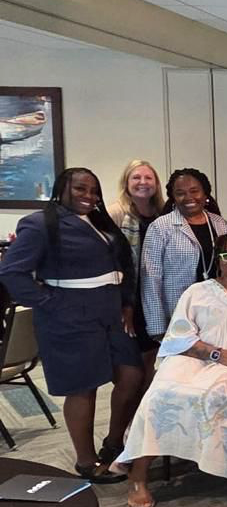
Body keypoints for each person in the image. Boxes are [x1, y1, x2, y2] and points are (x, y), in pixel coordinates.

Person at [114, 233, 227, 507]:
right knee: (160, 395)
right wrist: (217, 354)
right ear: (218, 260)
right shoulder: (198, 291)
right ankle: (138, 475)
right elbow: (179, 336)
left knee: (213, 396)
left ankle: (201, 458)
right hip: (195, 358)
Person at [0, 168, 143, 484]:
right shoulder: (40, 224)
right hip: (69, 317)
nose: (88, 196)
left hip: (110, 313)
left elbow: (121, 264)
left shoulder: (98, 221)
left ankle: (114, 442)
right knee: (83, 387)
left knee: (131, 374)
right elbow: (11, 272)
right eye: (80, 189)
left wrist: (126, 303)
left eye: (93, 190)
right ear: (61, 188)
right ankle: (86, 461)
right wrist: (51, 302)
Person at [141, 169, 227, 340]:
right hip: (178, 312)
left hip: (218, 310)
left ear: (205, 193)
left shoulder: (221, 224)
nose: (188, 197)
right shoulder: (160, 227)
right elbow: (151, 278)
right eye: (180, 193)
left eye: (194, 191)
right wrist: (157, 326)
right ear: (173, 197)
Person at [108, 160, 166, 382]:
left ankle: (144, 404)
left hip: (153, 296)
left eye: (148, 178)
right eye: (136, 177)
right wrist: (123, 303)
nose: (143, 182)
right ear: (126, 182)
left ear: (156, 183)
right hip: (127, 298)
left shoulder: (162, 213)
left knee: (151, 359)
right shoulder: (116, 213)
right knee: (130, 371)